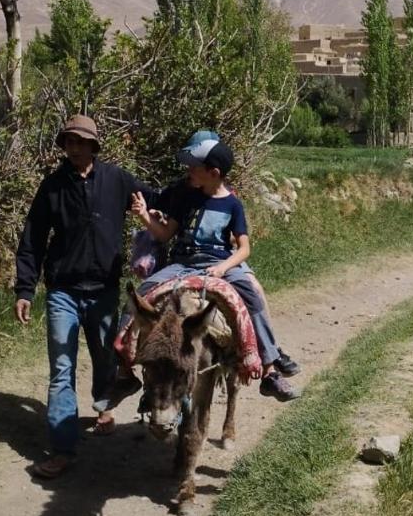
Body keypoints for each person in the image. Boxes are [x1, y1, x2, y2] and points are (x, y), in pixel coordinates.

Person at [13, 114, 154, 478]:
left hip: (104, 290)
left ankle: (104, 407)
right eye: (68, 142)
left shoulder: (116, 180)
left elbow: (154, 200)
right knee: (62, 369)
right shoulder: (53, 187)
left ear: (93, 145)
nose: (73, 147)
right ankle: (62, 448)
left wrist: (193, 193)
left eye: (80, 141)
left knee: (106, 358)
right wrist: (25, 289)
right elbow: (32, 240)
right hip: (63, 291)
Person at [128, 131, 301, 401]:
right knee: (143, 294)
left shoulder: (233, 205)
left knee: (251, 297)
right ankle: (123, 363)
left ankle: (269, 368)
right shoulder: (185, 198)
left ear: (214, 172)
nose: (189, 172)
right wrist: (143, 217)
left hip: (220, 262)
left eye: (194, 167)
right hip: (183, 263)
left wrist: (222, 269)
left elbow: (244, 248)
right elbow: (164, 235)